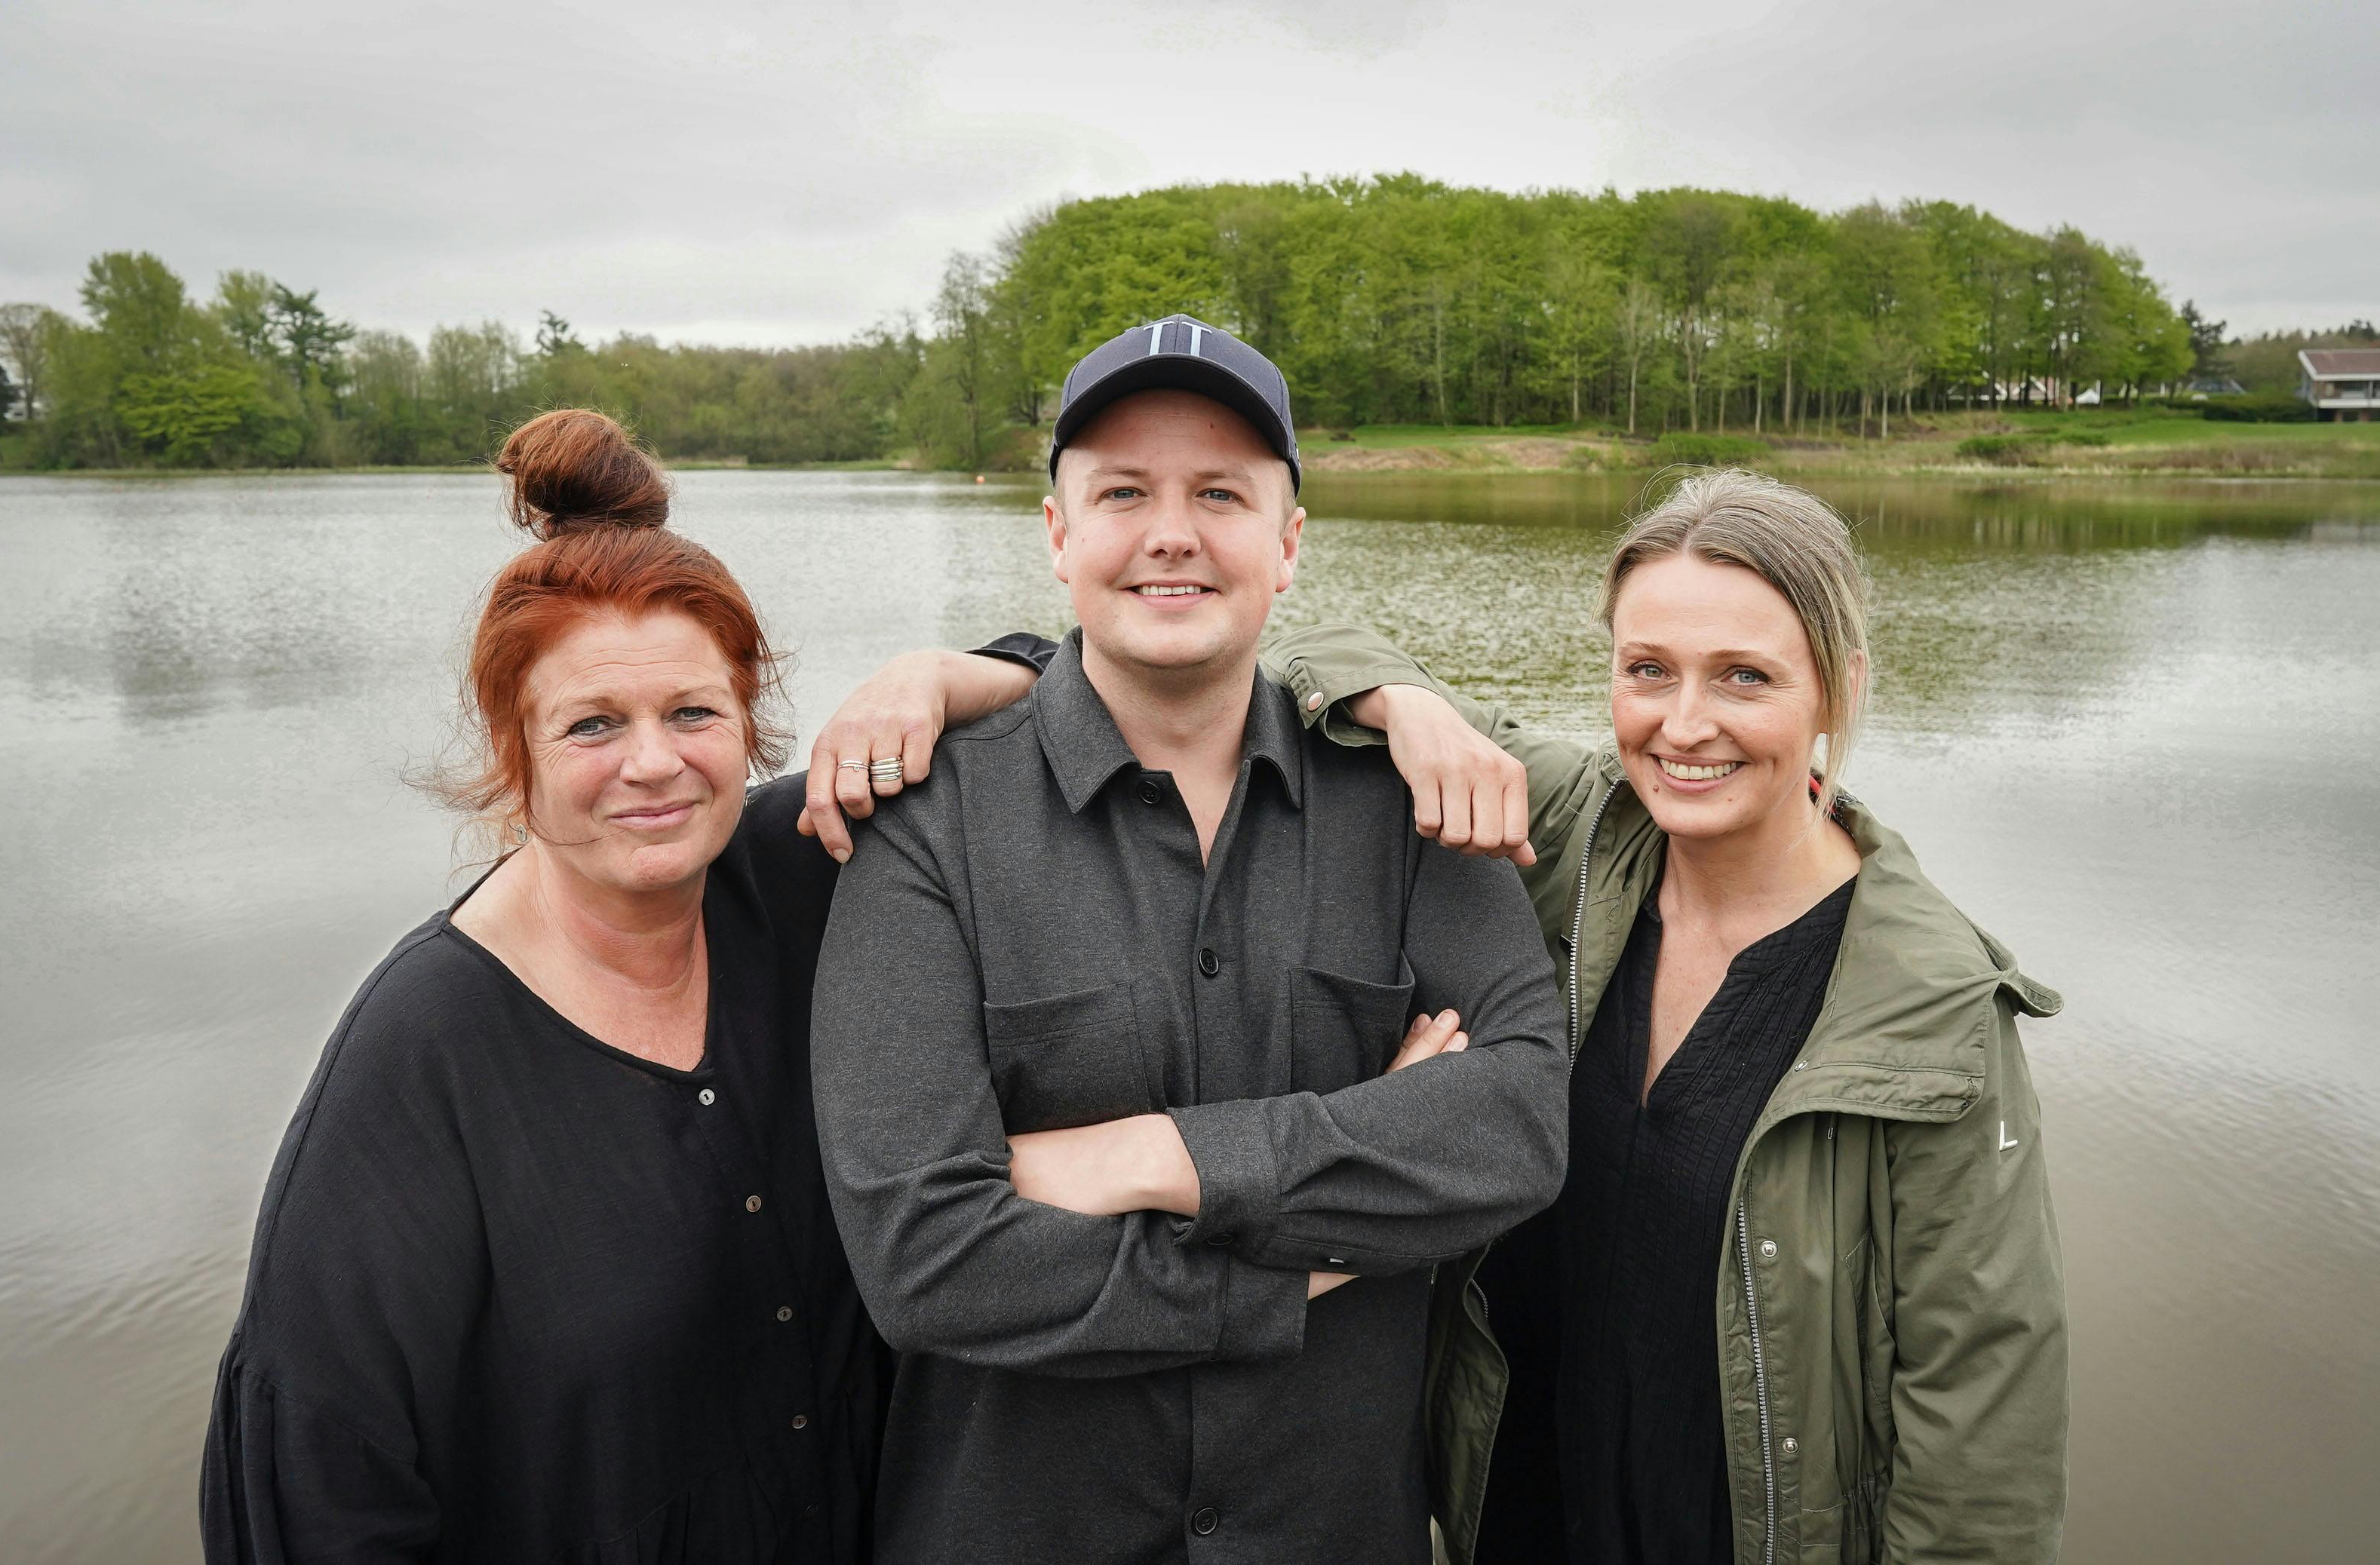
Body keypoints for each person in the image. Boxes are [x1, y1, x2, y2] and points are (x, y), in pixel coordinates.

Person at [198, 408, 1046, 1564]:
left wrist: (941, 676)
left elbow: (1105, 702)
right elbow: (313, 1490)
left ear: (749, 721)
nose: (653, 763)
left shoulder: (811, 871)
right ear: (514, 746)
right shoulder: (423, 1057)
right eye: (592, 724)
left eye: (693, 712)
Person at [805, 315, 1571, 1565]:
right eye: (1122, 493)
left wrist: (1142, 1158)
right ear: (1058, 537)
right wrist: (1307, 1256)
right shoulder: (927, 823)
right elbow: (926, 1258)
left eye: (1220, 491)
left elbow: (1517, 1129)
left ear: (1289, 543)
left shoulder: (1414, 798)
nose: (1171, 532)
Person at [1257, 468, 2070, 1564]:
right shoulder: (1578, 833)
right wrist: (1410, 712)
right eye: (1648, 670)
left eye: (1743, 676)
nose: (1683, 726)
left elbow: (1980, 1418)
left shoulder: (1932, 1010)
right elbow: (1296, 657)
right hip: (1512, 1521)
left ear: (1835, 689)